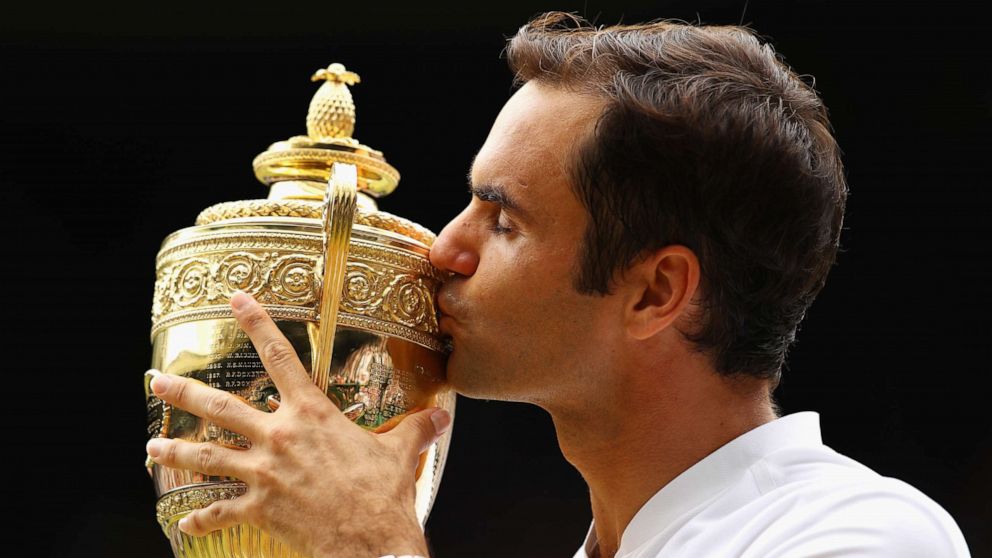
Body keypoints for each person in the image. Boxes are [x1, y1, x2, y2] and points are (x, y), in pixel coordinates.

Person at [144, 12, 971, 558]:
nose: (443, 250)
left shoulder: (863, 535)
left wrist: (378, 546)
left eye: (502, 220)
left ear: (655, 293)